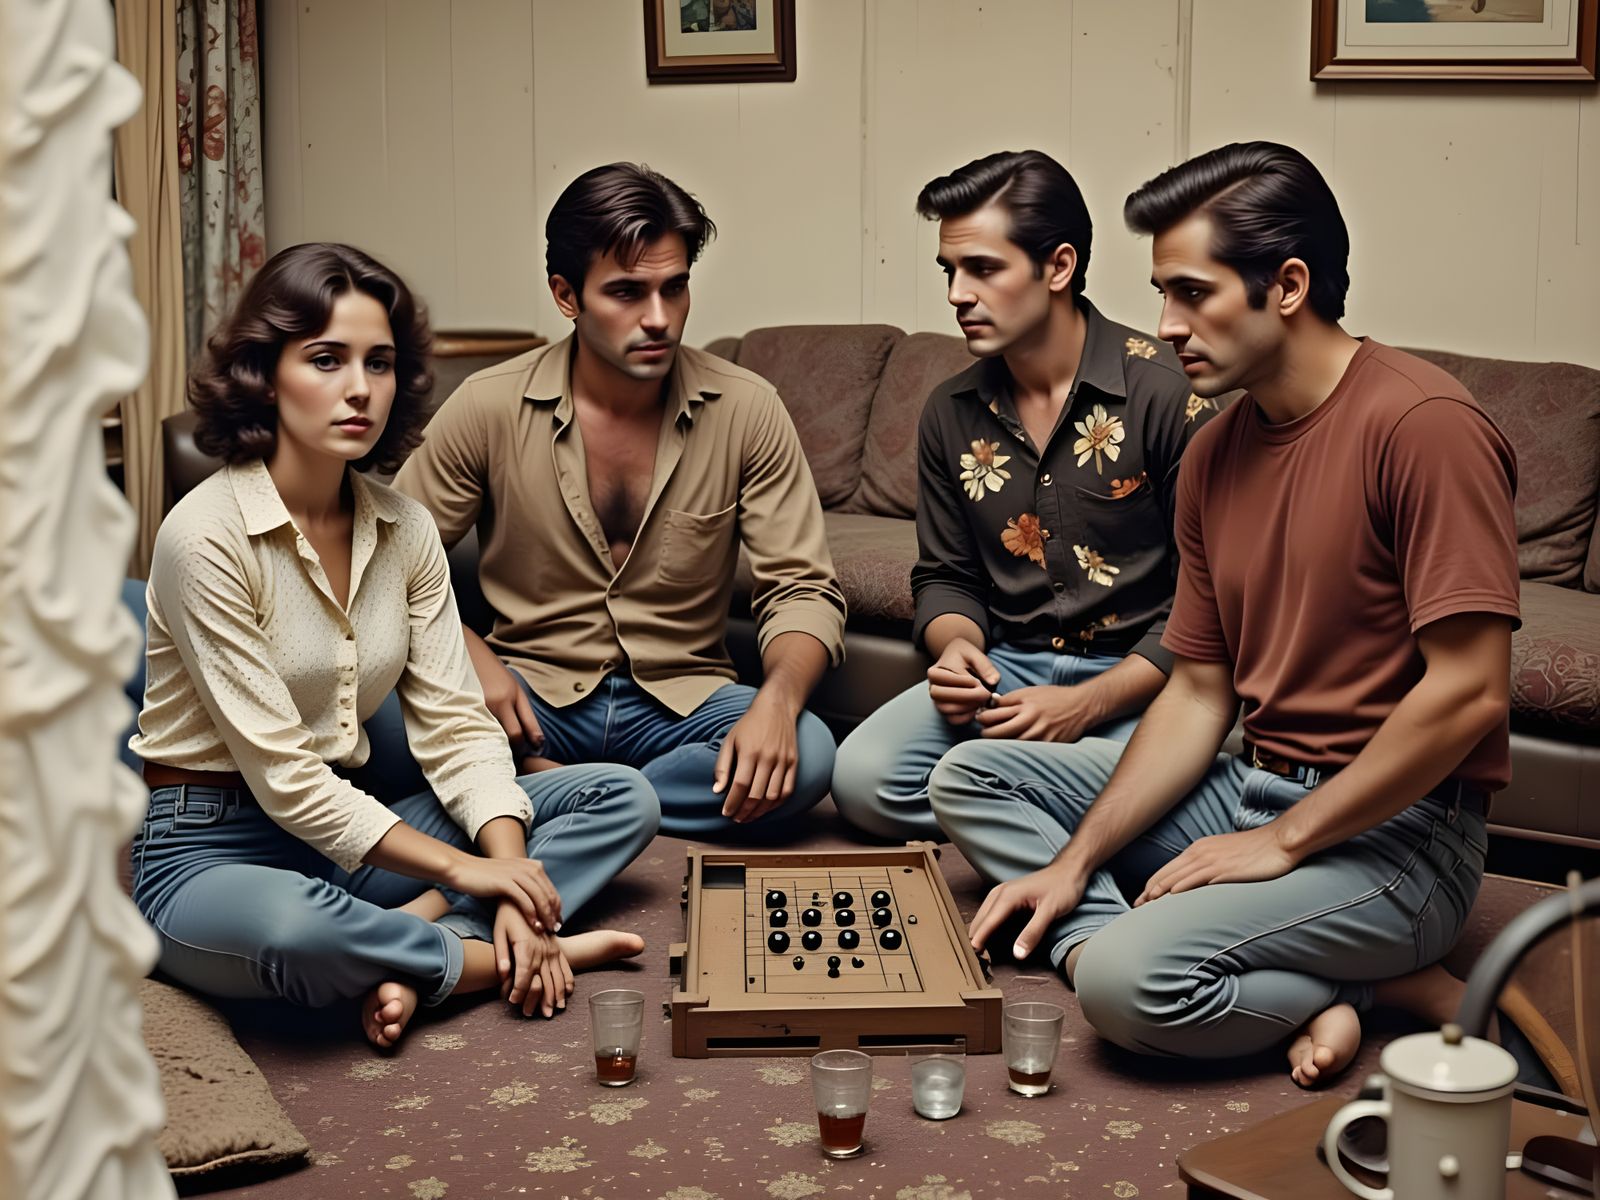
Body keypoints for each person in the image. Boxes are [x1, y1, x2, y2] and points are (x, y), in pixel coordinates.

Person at [932, 142, 1519, 1086]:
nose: (1166, 325)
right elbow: (1200, 692)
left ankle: (1363, 983)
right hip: (1250, 784)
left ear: (1287, 285)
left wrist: (1280, 843)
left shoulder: (1424, 427)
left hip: (1404, 834)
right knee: (973, 774)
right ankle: (1295, 974)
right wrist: (1076, 862)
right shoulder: (1214, 453)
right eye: (1161, 293)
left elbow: (1469, 694)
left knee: (1124, 985)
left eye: (1193, 293)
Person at [128, 243, 656, 1049]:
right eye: (326, 360)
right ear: (265, 375)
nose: (359, 388)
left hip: (355, 828)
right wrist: (466, 872)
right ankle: (479, 959)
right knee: (296, 931)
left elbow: (458, 725)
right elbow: (286, 780)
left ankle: (430, 941)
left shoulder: (405, 529)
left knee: (620, 797)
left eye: (378, 363)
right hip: (210, 849)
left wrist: (508, 876)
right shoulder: (204, 536)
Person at [389, 163, 845, 840]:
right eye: (627, 292)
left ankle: (565, 796)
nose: (658, 319)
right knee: (376, 721)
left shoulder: (747, 409)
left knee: (808, 753)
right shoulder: (490, 406)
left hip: (682, 702)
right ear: (566, 295)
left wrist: (777, 703)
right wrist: (468, 653)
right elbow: (381, 562)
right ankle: (591, 798)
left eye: (674, 288)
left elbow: (802, 588)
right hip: (529, 696)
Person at [832, 150, 1214, 842]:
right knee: (863, 781)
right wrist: (956, 648)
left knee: (1147, 787)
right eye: (949, 271)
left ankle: (1024, 807)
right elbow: (946, 575)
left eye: (983, 268)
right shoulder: (949, 411)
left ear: (1058, 267)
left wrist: (1088, 705)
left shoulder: (1167, 394)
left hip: (1140, 678)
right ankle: (1044, 808)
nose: (957, 294)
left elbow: (1204, 607)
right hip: (1008, 672)